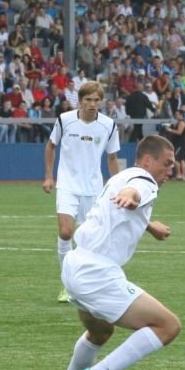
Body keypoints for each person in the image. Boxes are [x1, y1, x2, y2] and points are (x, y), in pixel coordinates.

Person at [52, 135, 180, 370]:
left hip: (74, 264)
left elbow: (121, 203)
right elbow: (135, 192)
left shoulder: (119, 177)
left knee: (100, 332)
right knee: (168, 326)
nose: (171, 171)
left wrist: (148, 223)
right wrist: (130, 195)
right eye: (167, 164)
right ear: (147, 160)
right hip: (96, 274)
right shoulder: (144, 181)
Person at [43, 81, 121, 303]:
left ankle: (87, 283)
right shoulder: (65, 120)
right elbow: (50, 146)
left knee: (88, 241)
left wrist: (116, 186)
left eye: (96, 100)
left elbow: (112, 157)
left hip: (94, 189)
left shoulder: (108, 125)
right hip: (67, 185)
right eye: (88, 100)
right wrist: (49, 176)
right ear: (80, 101)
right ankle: (67, 284)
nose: (92, 104)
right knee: (66, 232)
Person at [162, 108, 185, 180]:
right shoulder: (180, 122)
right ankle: (183, 176)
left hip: (180, 144)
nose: (175, 116)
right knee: (182, 159)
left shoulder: (181, 123)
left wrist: (169, 130)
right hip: (181, 143)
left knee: (176, 159)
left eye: (177, 114)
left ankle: (179, 174)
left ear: (181, 115)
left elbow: (179, 132)